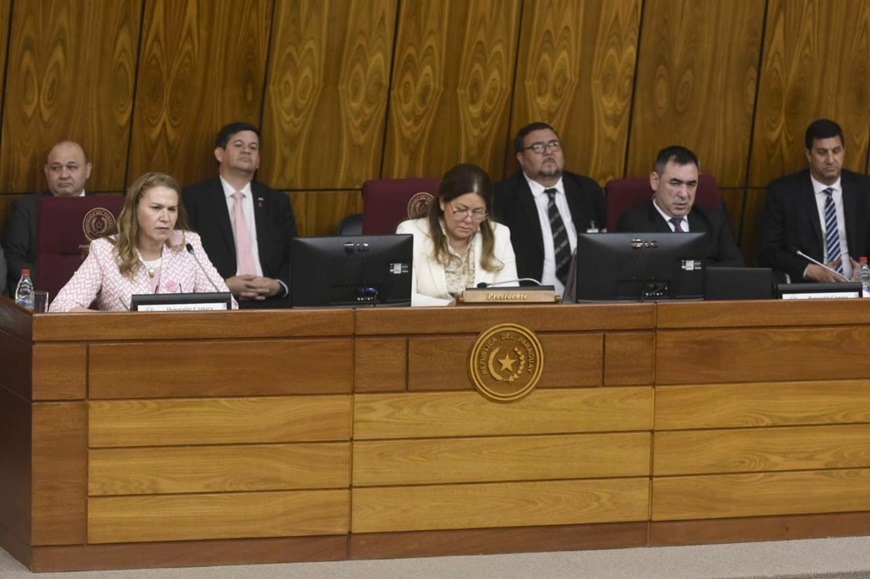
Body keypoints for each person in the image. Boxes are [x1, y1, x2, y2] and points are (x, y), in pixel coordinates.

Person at [49, 172, 235, 312]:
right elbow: (62, 306)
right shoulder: (106, 250)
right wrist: (118, 323)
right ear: (134, 210)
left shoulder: (188, 245)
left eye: (172, 209)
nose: (165, 217)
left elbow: (228, 306)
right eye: (156, 208)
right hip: (120, 351)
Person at [182, 122, 297, 308]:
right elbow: (182, 256)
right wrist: (222, 286)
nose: (246, 150)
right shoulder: (193, 198)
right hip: (217, 303)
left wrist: (278, 285)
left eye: (253, 147)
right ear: (219, 154)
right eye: (238, 145)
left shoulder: (277, 201)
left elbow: (295, 253)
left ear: (258, 160)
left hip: (273, 302)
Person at [493, 122, 606, 296]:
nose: (548, 152)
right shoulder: (502, 197)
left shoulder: (587, 190)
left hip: (585, 296)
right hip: (529, 299)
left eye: (554, 144)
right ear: (521, 158)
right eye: (538, 147)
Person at [758, 119, 870, 282]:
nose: (831, 160)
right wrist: (809, 270)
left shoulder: (864, 189)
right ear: (809, 155)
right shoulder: (783, 193)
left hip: (861, 288)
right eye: (822, 152)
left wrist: (866, 272)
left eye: (836, 151)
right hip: (809, 289)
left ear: (844, 151)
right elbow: (767, 251)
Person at [396, 163, 517, 306]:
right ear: (442, 202)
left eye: (478, 212)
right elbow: (401, 296)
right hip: (427, 322)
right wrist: (450, 307)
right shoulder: (411, 232)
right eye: (461, 210)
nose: (468, 219)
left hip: (484, 323)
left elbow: (510, 295)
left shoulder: (499, 234)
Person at [618, 145, 744, 266]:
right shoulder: (634, 223)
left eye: (691, 184)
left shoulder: (714, 220)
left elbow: (735, 266)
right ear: (655, 181)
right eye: (675, 183)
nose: (684, 194)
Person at [4, 140, 93, 292]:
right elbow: (13, 260)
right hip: (41, 294)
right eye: (55, 168)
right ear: (46, 171)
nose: (64, 175)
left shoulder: (103, 209)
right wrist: (56, 284)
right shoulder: (26, 208)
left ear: (87, 170)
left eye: (72, 167)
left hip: (94, 296)